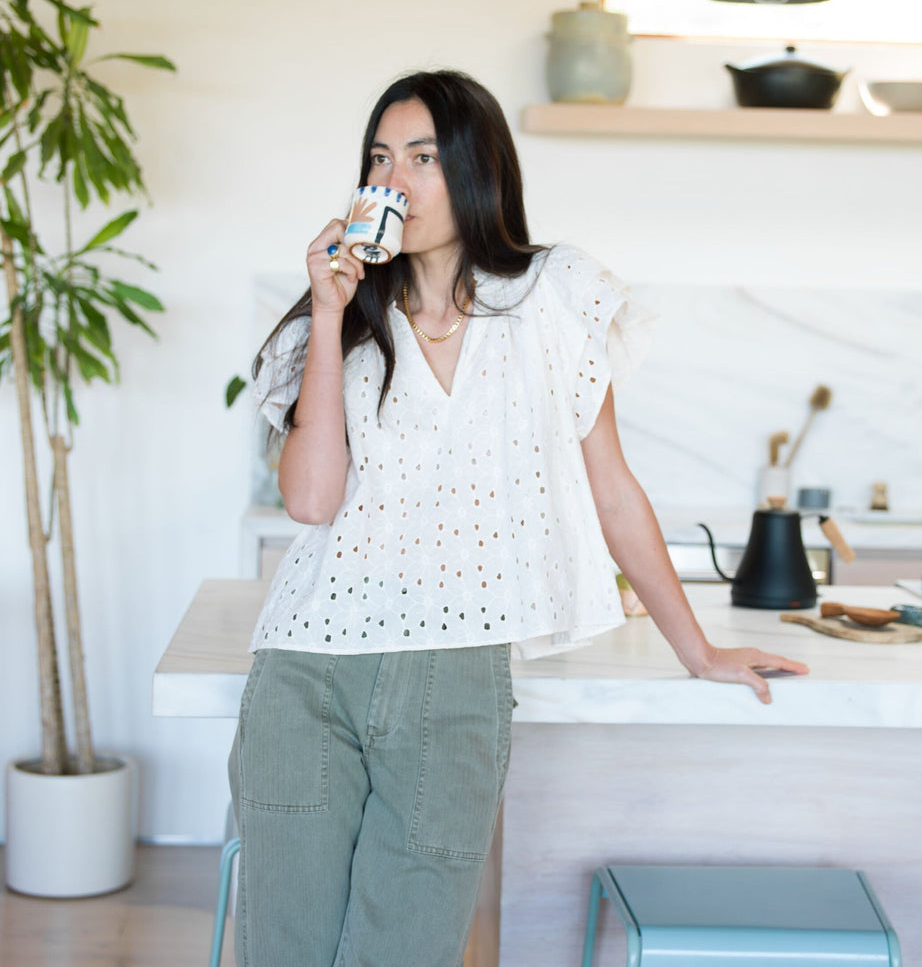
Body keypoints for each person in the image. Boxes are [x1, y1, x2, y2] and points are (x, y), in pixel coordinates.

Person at [227, 69, 808, 967]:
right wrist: (334, 313)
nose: (394, 181)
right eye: (379, 159)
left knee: (404, 952)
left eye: (423, 157)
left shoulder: (555, 295)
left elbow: (612, 487)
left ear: (476, 169)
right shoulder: (335, 320)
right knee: (287, 953)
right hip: (305, 670)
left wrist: (696, 648)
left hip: (453, 681)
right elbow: (309, 501)